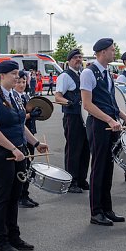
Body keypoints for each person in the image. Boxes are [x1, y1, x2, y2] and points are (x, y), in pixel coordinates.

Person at [0, 60, 48, 251]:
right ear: (2, 75)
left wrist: (35, 143)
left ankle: (13, 236)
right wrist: (13, 149)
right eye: (13, 74)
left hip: (18, 152)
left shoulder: (17, 97)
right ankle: (0, 241)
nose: (17, 77)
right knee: (2, 197)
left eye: (18, 74)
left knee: (14, 196)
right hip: (0, 153)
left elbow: (20, 125)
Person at [81, 38, 126, 226]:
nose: (115, 53)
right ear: (102, 52)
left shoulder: (107, 73)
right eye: (112, 50)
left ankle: (107, 208)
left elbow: (111, 102)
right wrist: (109, 120)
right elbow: (87, 104)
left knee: (109, 167)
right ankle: (96, 212)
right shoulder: (89, 73)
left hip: (110, 124)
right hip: (98, 125)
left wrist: (124, 117)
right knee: (98, 168)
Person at [54, 49, 91, 193]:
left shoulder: (82, 75)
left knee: (85, 148)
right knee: (73, 149)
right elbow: (58, 97)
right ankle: (72, 181)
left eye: (80, 57)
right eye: (75, 57)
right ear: (69, 60)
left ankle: (81, 179)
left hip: (84, 116)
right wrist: (69, 102)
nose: (78, 60)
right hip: (72, 117)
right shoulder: (65, 76)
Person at [16, 70, 42, 208]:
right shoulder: (15, 98)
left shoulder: (26, 96)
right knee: (23, 167)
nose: (21, 84)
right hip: (21, 136)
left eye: (24, 82)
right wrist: (30, 115)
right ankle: (20, 196)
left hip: (30, 134)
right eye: (19, 82)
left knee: (29, 166)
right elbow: (17, 119)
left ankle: (25, 194)